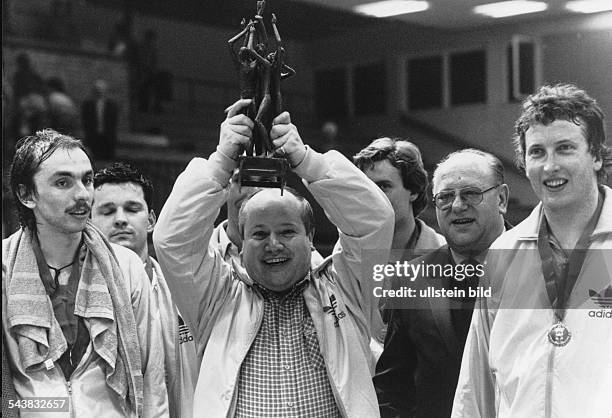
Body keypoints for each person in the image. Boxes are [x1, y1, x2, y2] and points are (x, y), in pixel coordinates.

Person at [153, 98, 394, 416]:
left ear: (310, 238)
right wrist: (221, 161)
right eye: (259, 234)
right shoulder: (217, 296)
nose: (273, 244)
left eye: (286, 231)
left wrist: (308, 161)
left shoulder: (346, 286)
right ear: (241, 243)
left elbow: (374, 219)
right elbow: (172, 240)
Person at [452, 84, 612, 417]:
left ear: (596, 156)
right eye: (537, 152)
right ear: (523, 162)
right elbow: (475, 382)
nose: (549, 165)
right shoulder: (504, 253)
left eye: (565, 148)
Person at [2, 129, 168, 417]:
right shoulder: (5, 267)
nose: (82, 194)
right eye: (63, 182)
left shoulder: (125, 265)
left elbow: (152, 380)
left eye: (87, 180)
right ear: (26, 194)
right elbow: (11, 391)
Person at [374, 149, 510, 418]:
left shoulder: (541, 267)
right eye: (446, 197)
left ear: (502, 199)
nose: (457, 206)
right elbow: (392, 389)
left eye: (471, 193)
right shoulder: (408, 280)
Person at [91, 162, 197, 418]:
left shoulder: (184, 289)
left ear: (151, 220)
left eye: (131, 209)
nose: (120, 219)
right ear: (89, 222)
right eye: (107, 211)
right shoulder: (81, 296)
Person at [354, 138, 446, 345]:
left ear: (413, 190)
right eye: (366, 187)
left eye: (384, 186)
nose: (373, 196)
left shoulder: (445, 257)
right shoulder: (347, 253)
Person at [81, 79, 119, 160]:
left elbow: (113, 122)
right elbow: (85, 122)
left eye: (101, 90)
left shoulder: (111, 105)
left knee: (107, 159)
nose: (99, 92)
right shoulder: (88, 105)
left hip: (107, 136)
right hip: (93, 136)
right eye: (97, 90)